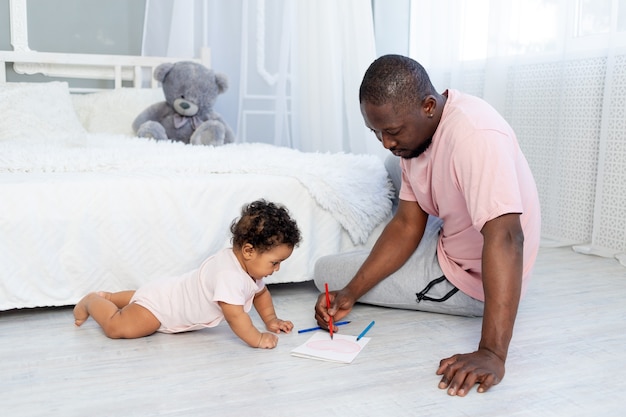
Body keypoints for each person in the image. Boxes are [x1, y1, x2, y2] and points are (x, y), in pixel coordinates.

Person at [313, 55, 541, 396]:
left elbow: (507, 237)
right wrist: (351, 292)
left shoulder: (474, 137)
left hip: (470, 274)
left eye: (391, 132)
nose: (387, 143)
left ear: (429, 106)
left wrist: (493, 353)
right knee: (391, 168)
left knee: (325, 270)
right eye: (375, 132)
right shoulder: (421, 133)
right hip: (452, 230)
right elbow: (407, 224)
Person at [74, 199, 302, 349]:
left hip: (166, 293)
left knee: (143, 296)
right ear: (249, 250)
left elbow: (261, 295)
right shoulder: (229, 276)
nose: (277, 269)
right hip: (162, 310)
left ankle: (111, 297)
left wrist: (271, 320)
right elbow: (236, 317)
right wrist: (258, 338)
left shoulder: (247, 268)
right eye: (275, 262)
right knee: (118, 327)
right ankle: (93, 301)